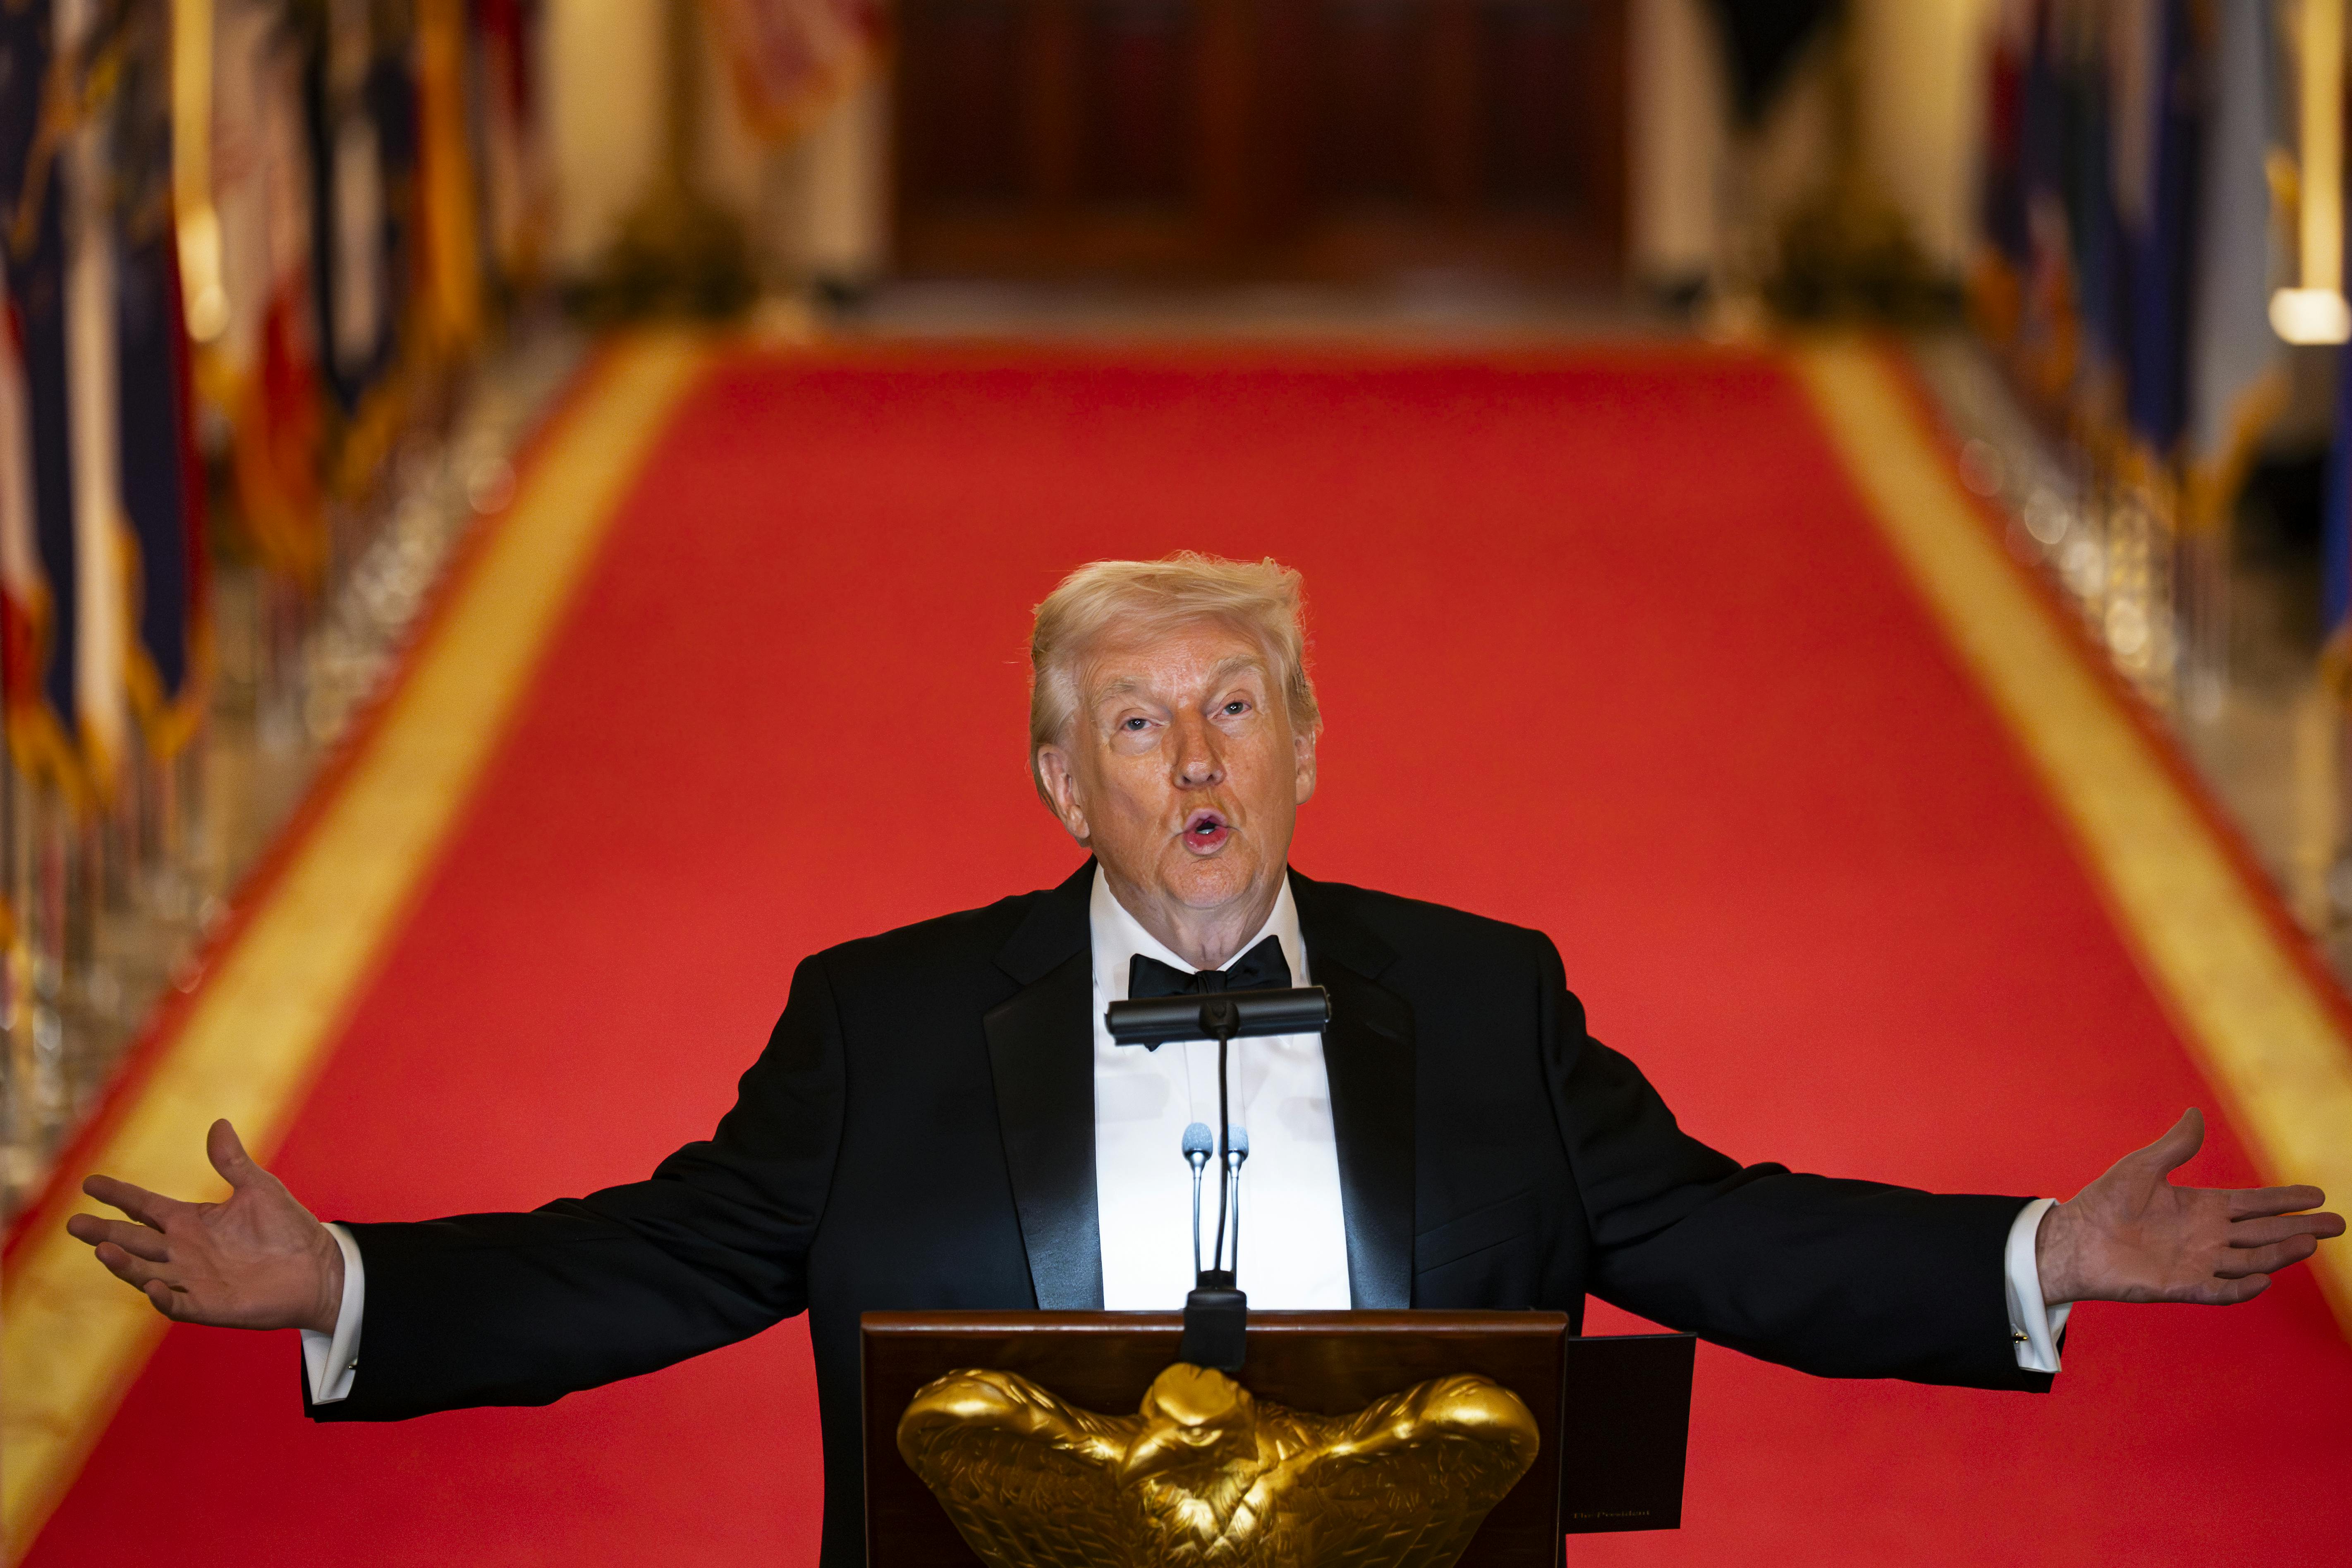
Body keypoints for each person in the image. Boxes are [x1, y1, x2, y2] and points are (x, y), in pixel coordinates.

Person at [69, 555, 2343, 1567]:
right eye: (1138, 722)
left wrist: (2042, 1255)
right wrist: (349, 1286)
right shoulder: (881, 1021)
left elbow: (1710, 1232)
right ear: (1057, 781)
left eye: (1236, 708)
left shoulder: (1484, 997)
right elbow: (664, 1258)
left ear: (1310, 747)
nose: (1193, 760)